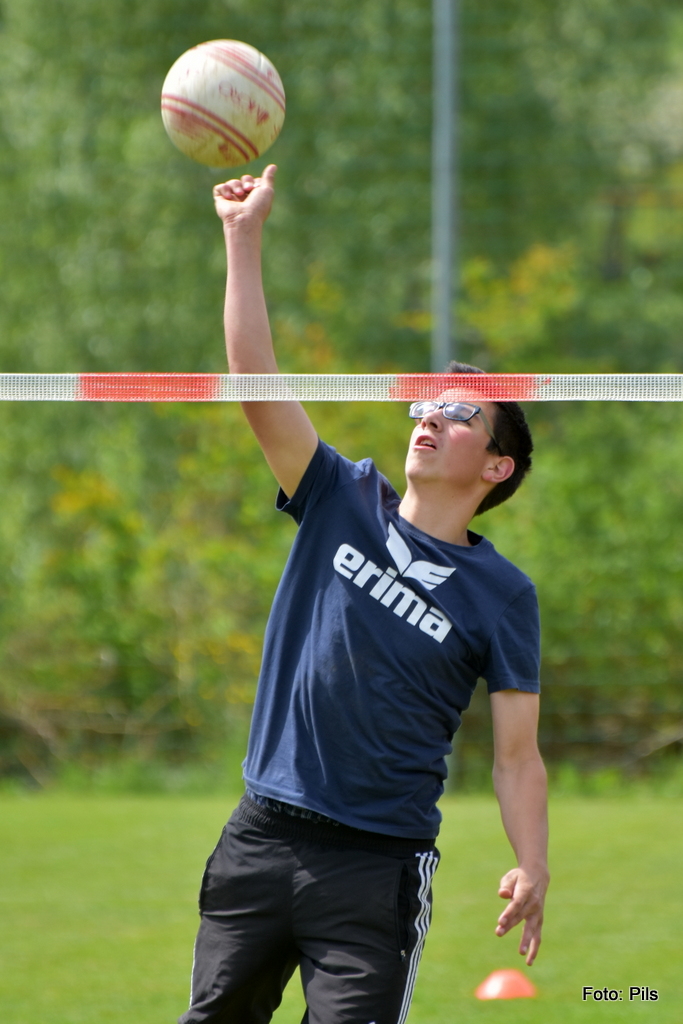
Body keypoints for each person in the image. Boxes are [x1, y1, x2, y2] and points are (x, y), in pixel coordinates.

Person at [178, 165, 549, 1024]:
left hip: (375, 867)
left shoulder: (501, 594)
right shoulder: (339, 497)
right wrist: (242, 237)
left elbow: (516, 756)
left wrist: (531, 862)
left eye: (461, 413)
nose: (431, 416)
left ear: (497, 467)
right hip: (261, 836)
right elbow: (254, 376)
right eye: (428, 404)